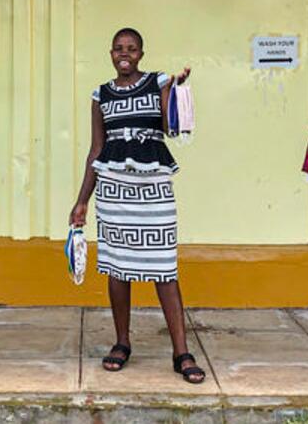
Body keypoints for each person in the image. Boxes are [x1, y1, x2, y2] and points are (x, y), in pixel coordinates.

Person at [69, 28, 205, 384]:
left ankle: (181, 352)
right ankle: (122, 342)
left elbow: (169, 125)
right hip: (114, 189)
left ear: (141, 53)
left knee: (163, 265)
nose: (124, 53)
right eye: (118, 48)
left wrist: (175, 93)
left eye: (131, 48)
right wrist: (83, 199)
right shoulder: (100, 95)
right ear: (110, 53)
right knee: (117, 268)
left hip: (153, 186)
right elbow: (96, 150)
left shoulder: (158, 82)